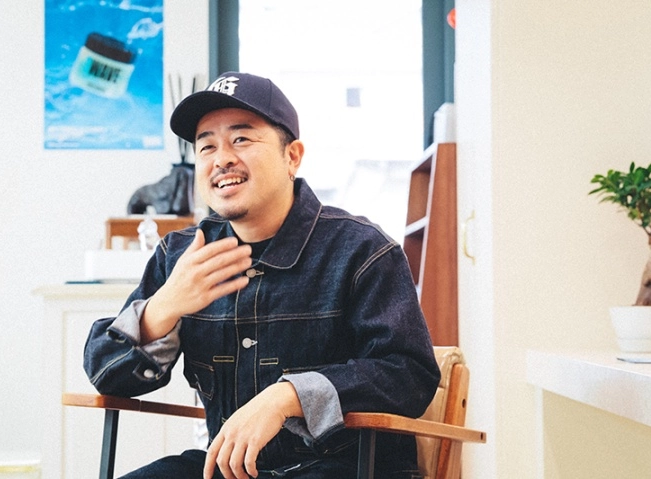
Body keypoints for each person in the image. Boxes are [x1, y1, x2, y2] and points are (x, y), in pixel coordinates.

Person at [83, 72, 440, 479]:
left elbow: (409, 375)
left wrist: (288, 397)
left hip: (347, 468)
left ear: (292, 157)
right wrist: (163, 307)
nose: (221, 159)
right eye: (206, 146)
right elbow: (106, 373)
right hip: (234, 470)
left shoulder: (361, 250)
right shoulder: (181, 256)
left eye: (241, 139)